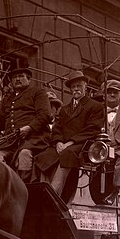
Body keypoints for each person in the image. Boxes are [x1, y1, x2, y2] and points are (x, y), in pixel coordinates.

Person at [0, 57, 53, 183]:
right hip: (11, 142)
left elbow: (45, 115)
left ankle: (23, 188)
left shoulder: (38, 92)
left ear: (28, 79)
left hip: (34, 140)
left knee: (24, 155)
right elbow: (0, 124)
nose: (17, 79)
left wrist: (29, 128)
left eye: (21, 76)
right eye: (14, 77)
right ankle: (3, 186)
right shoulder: (7, 99)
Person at [38, 70, 104, 202]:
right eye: (73, 87)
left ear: (85, 86)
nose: (76, 89)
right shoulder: (64, 108)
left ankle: (53, 195)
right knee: (43, 155)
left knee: (67, 155)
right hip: (63, 144)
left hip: (82, 144)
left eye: (79, 86)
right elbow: (57, 127)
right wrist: (58, 142)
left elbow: (92, 129)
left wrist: (70, 143)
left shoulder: (95, 106)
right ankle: (42, 189)